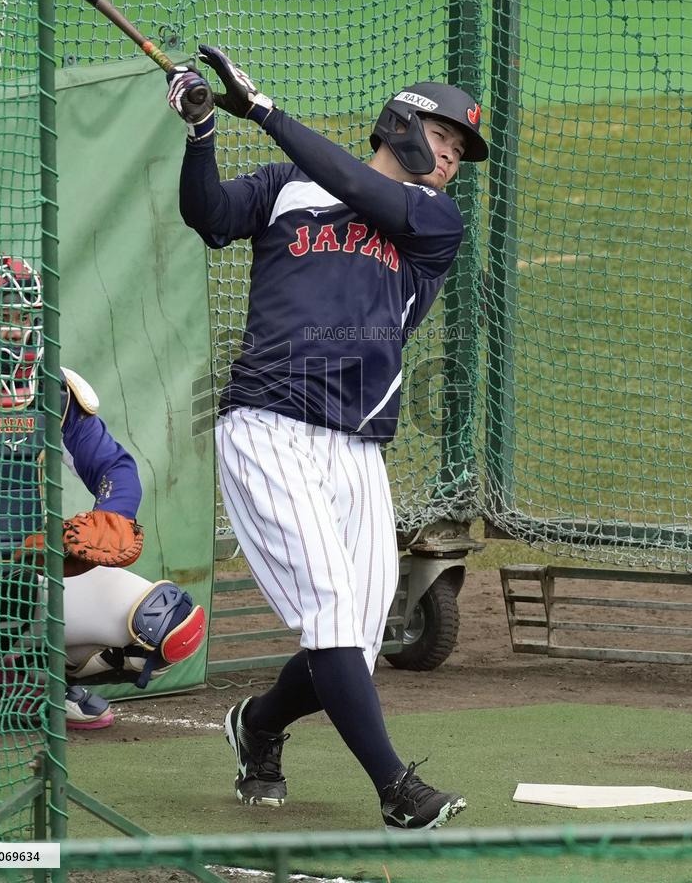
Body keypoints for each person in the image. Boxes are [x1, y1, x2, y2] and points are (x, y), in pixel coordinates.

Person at [166, 48, 488, 829]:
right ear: (402, 123)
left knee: (355, 636)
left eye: (461, 151)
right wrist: (204, 130)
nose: (451, 158)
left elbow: (354, 182)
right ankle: (395, 790)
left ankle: (260, 724)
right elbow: (210, 218)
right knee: (335, 619)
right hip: (268, 429)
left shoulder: (432, 220)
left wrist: (267, 111)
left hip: (355, 449)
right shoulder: (283, 188)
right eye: (444, 137)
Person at [0, 253, 206, 757]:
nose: (15, 332)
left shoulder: (51, 388)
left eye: (25, 317)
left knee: (167, 624)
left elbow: (115, 468)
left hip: (22, 567)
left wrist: (112, 517)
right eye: (1, 317)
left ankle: (26, 683)